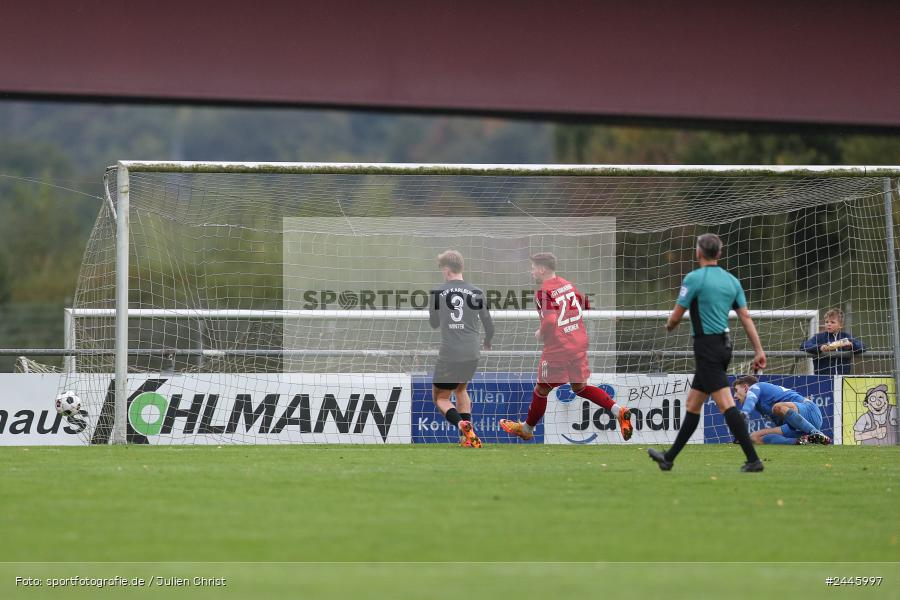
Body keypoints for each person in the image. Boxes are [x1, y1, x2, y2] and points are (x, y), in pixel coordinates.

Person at [648, 233, 767, 472]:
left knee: (726, 405)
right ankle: (668, 458)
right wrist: (759, 349)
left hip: (707, 348)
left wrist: (669, 326)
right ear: (719, 254)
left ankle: (753, 460)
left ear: (698, 253)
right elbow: (745, 317)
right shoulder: (731, 281)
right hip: (723, 346)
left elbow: (676, 314)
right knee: (693, 403)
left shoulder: (694, 278)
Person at [499, 252, 633, 442]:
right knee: (580, 387)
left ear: (542, 269)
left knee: (541, 390)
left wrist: (540, 332)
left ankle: (527, 429)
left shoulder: (543, 292)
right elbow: (585, 305)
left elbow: (550, 320)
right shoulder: (567, 285)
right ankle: (618, 411)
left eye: (533, 268)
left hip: (558, 348)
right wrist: (607, 315)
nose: (531, 272)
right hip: (577, 344)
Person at [429, 250, 495, 447]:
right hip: (472, 352)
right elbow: (489, 326)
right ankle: (467, 438)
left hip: (450, 352)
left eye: (442, 269)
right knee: (461, 388)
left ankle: (461, 424)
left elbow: (433, 323)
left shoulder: (438, 293)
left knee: (440, 397)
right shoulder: (476, 292)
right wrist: (487, 342)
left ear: (447, 270)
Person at [732, 375, 831, 445]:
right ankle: (804, 441)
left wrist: (743, 413)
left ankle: (817, 433)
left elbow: (751, 399)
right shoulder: (759, 406)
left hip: (810, 411)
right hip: (795, 425)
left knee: (777, 407)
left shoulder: (756, 387)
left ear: (745, 388)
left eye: (736, 390)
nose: (735, 396)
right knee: (753, 437)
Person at [800, 308, 865, 375]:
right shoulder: (819, 337)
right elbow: (803, 346)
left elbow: (862, 346)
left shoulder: (846, 337)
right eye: (827, 322)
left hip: (843, 378)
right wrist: (820, 348)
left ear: (841, 325)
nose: (829, 324)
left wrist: (851, 345)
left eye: (832, 322)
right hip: (822, 379)